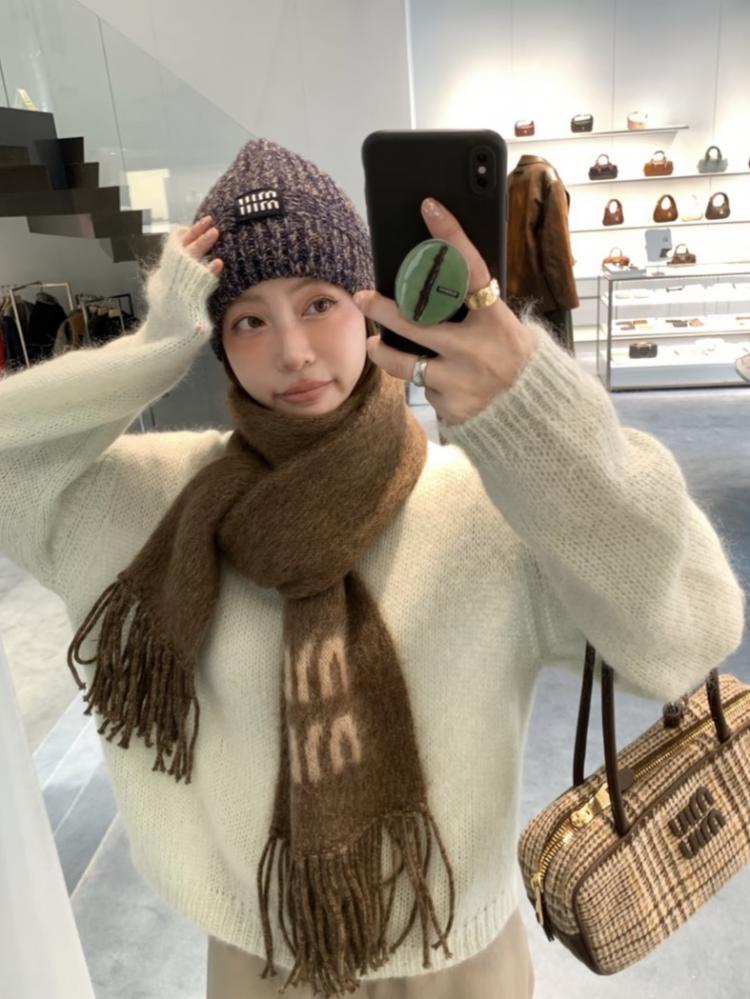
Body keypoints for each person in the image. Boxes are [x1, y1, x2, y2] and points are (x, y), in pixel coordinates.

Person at [0, 138, 744, 999]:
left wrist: (538, 414)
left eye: (318, 303)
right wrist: (155, 345)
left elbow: (689, 628)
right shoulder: (165, 503)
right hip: (263, 965)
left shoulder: (488, 504)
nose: (293, 351)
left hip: (459, 966)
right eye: (248, 319)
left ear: (369, 306)